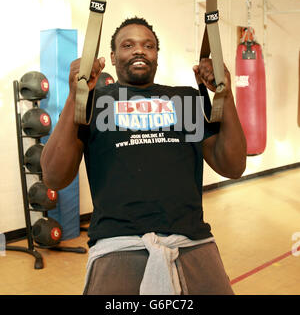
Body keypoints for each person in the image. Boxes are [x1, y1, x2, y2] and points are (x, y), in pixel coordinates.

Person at [40, 17, 246, 295]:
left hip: (191, 239)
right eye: (128, 45)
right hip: (117, 241)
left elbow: (232, 166)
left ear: (156, 56)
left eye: (148, 45)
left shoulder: (185, 100)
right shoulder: (95, 102)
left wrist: (226, 94)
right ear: (112, 57)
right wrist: (73, 95)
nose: (139, 50)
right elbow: (54, 177)